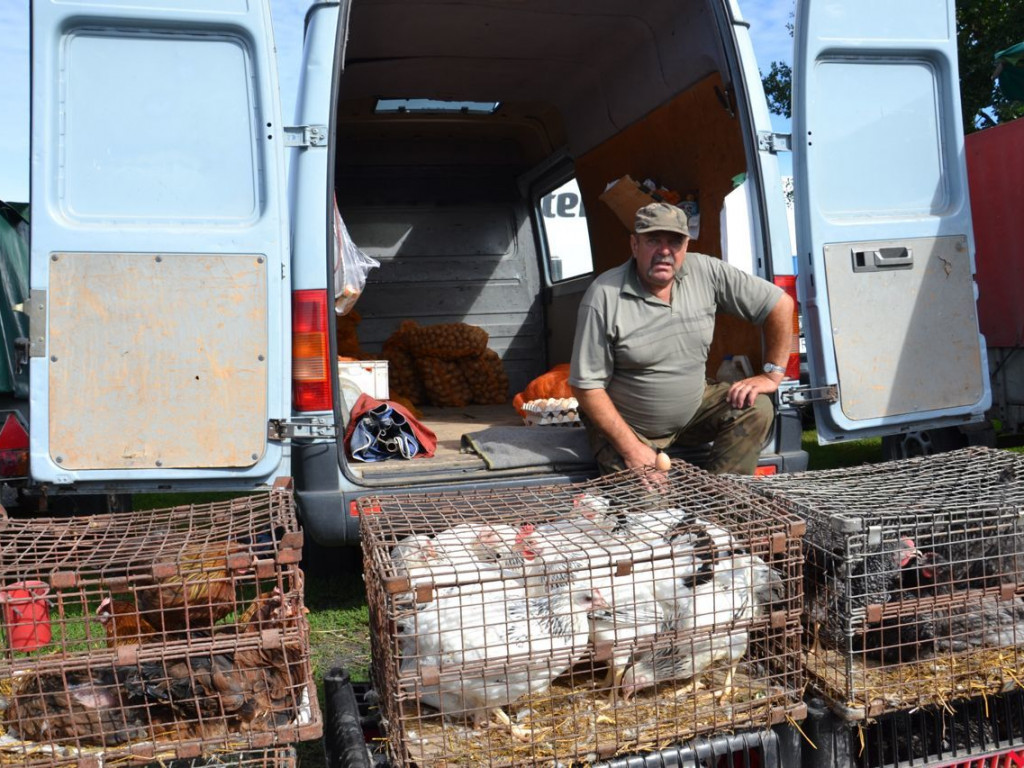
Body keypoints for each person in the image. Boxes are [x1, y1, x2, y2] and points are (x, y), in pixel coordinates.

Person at [569, 201, 795, 475]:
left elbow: (780, 304)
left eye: (674, 242)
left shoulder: (707, 272)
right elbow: (587, 387)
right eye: (653, 240)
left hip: (692, 415)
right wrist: (631, 449)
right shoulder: (604, 295)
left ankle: (722, 506)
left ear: (686, 247)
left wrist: (772, 375)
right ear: (634, 245)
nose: (664, 251)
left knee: (756, 406)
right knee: (650, 513)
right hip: (628, 427)